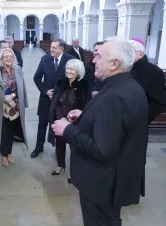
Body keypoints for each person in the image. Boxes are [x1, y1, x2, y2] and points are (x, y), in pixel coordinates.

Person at [51, 37, 148, 225]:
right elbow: (115, 126)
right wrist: (84, 117)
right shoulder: (127, 86)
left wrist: (68, 130)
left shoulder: (115, 95)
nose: (93, 60)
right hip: (112, 179)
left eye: (99, 56)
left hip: (102, 183)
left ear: (114, 63)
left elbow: (101, 149)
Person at [47, 59, 91, 182]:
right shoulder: (61, 82)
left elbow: (87, 104)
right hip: (60, 118)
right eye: (67, 68)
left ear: (78, 71)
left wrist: (75, 118)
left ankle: (74, 171)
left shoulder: (84, 84)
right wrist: (59, 118)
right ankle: (60, 165)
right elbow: (55, 102)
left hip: (75, 121)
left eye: (72, 69)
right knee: (60, 146)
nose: (69, 71)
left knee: (75, 148)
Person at [32, 38, 74, 158]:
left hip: (62, 101)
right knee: (42, 124)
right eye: (51, 47)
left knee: (59, 125)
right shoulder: (45, 59)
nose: (51, 49)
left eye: (54, 48)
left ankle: (59, 152)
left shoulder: (70, 60)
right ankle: (39, 146)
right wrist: (45, 91)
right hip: (46, 99)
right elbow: (37, 77)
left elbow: (74, 80)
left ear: (62, 49)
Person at [0, 48, 28, 166]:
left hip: (14, 107)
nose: (9, 58)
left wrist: (13, 97)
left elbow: (21, 87)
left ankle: (9, 153)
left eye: (11, 56)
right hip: (0, 106)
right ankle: (3, 155)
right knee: (2, 132)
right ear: (1, 58)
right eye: (6, 56)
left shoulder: (18, 69)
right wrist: (3, 98)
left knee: (11, 132)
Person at [129, 38, 166, 123]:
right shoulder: (124, 67)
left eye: (129, 52)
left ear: (141, 54)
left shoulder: (154, 72)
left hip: (138, 121)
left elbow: (159, 102)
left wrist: (141, 118)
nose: (125, 55)